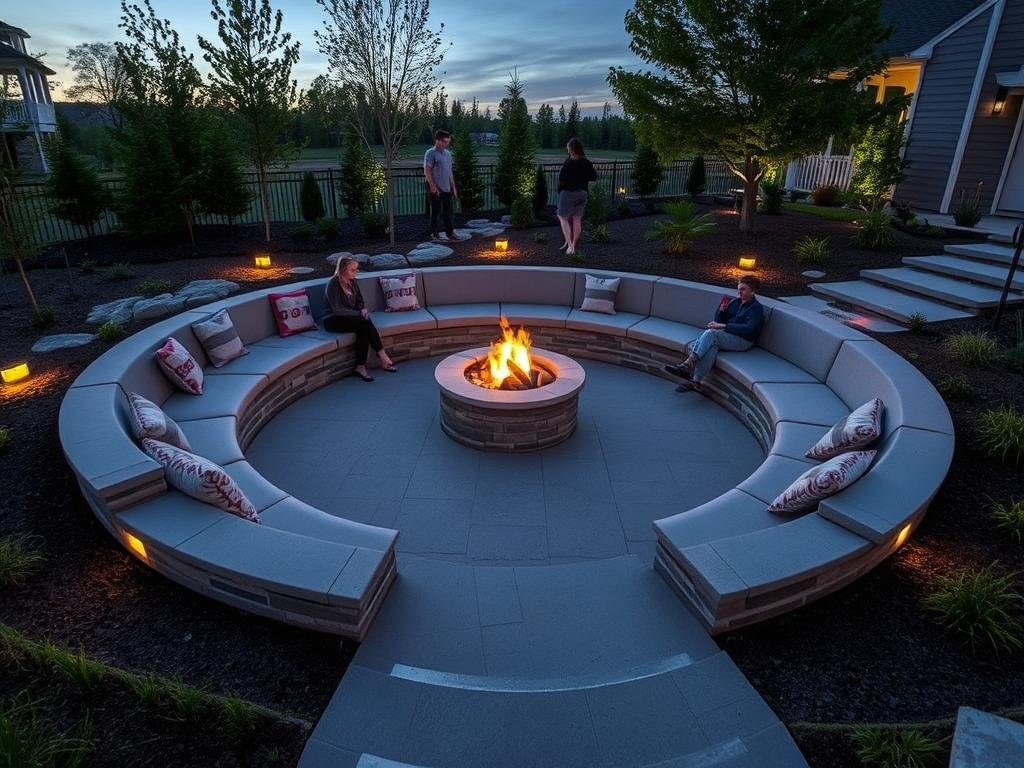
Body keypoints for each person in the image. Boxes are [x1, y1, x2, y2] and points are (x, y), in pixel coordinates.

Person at [665, 275, 765, 390]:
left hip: (743, 340)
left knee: (711, 334)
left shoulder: (756, 308)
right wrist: (721, 311)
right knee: (711, 345)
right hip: (728, 336)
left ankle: (688, 364)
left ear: (752, 291)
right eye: (738, 289)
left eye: (743, 289)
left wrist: (724, 326)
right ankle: (695, 381)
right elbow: (719, 321)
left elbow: (749, 328)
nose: (739, 292)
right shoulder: (735, 302)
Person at [323, 256, 397, 382]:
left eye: (356, 269)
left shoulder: (352, 282)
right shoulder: (333, 283)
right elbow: (337, 309)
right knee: (364, 323)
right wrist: (358, 313)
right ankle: (382, 357)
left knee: (363, 327)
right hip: (332, 319)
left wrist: (362, 309)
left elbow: (360, 301)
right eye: (352, 270)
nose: (356, 272)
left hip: (350, 317)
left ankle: (360, 366)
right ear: (343, 270)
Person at [423, 130, 467, 243]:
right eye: (444, 141)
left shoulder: (448, 154)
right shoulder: (430, 153)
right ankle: (434, 233)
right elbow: (427, 171)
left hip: (446, 187)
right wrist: (433, 186)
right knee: (435, 211)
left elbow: (449, 171)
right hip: (435, 187)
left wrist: (453, 187)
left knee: (448, 212)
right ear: (437, 140)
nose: (446, 144)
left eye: (448, 142)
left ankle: (450, 233)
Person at [556, 137, 597, 255]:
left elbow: (561, 179)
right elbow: (593, 177)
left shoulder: (568, 163)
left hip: (568, 193)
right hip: (582, 193)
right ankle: (573, 244)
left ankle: (569, 245)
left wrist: (560, 190)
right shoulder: (586, 162)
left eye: (568, 149)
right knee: (577, 219)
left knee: (562, 217)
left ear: (571, 149)